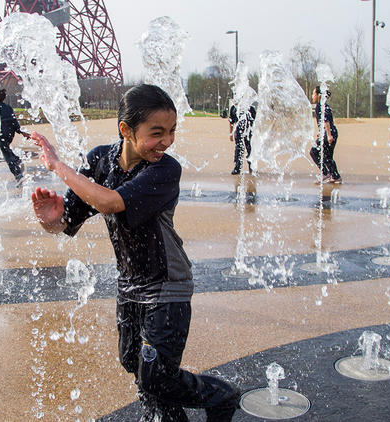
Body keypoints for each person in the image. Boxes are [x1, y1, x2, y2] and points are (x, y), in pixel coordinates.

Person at [31, 84, 240, 421]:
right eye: (157, 133)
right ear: (125, 130)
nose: (167, 141)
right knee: (134, 362)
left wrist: (58, 167)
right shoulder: (100, 160)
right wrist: (50, 219)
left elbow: (111, 203)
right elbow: (68, 220)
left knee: (155, 374)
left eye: (171, 132)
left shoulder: (164, 170)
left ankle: (220, 395)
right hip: (130, 284)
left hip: (167, 285)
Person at [0, 88, 30, 183]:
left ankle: (18, 175)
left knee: (7, 157)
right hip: (10, 134)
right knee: (7, 150)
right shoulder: (8, 107)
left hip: (1, 134)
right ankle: (17, 160)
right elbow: (14, 121)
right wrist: (21, 132)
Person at [309, 86, 341, 184]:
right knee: (328, 157)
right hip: (331, 132)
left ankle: (325, 173)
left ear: (318, 95)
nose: (312, 96)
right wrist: (321, 132)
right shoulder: (324, 105)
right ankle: (335, 177)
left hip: (329, 134)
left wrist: (328, 135)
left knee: (313, 152)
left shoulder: (320, 106)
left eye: (313, 94)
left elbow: (326, 121)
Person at [228, 103, 256, 175]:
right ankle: (237, 168)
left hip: (249, 132)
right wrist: (231, 134)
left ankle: (251, 167)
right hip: (238, 132)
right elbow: (231, 122)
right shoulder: (234, 108)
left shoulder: (250, 108)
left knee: (249, 149)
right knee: (239, 150)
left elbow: (255, 122)